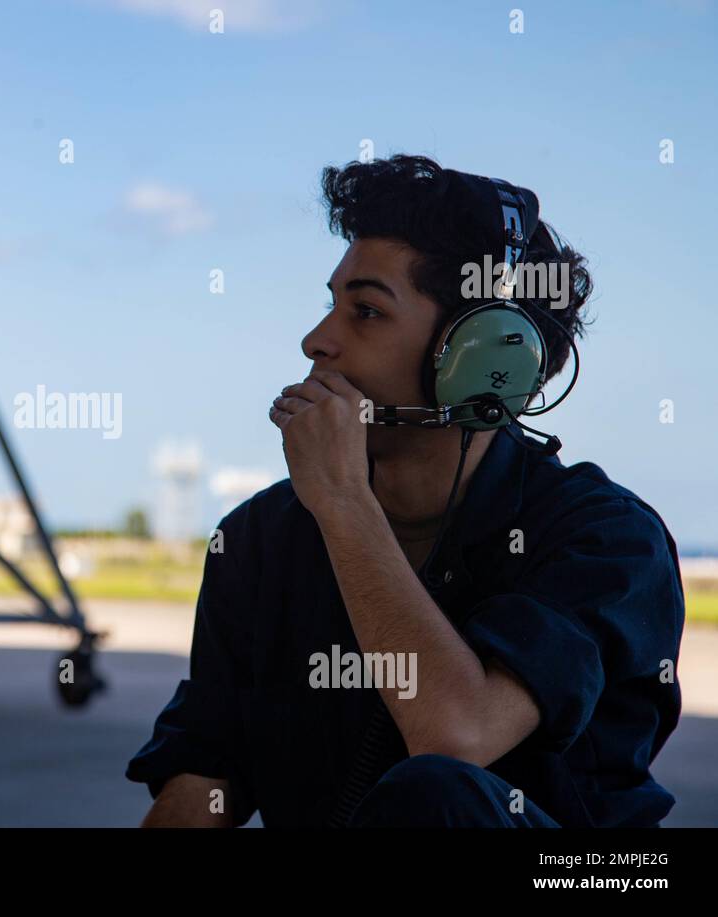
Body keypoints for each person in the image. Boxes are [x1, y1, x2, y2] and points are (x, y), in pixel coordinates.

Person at [125, 155, 686, 828]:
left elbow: (456, 733)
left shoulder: (607, 540)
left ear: (483, 359)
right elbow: (204, 772)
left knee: (436, 795)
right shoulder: (259, 537)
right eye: (330, 304)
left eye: (365, 310)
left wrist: (343, 506)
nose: (316, 341)